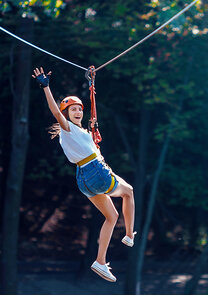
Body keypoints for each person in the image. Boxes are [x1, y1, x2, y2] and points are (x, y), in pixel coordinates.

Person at [32, 67, 135, 282]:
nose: (78, 112)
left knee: (112, 216)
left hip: (83, 180)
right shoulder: (67, 128)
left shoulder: (84, 133)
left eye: (79, 109)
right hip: (94, 172)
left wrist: (91, 83)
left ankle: (100, 262)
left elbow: (91, 143)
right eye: (73, 110)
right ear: (67, 115)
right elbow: (55, 111)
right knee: (129, 192)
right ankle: (128, 236)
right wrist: (46, 87)